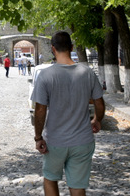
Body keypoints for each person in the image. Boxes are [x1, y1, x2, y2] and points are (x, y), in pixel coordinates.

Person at [31, 31, 105, 196]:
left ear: (52, 49)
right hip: (82, 141)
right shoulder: (87, 72)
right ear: (71, 47)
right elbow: (99, 103)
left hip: (55, 142)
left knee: (50, 178)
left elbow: (40, 110)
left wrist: (38, 137)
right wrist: (96, 119)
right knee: (78, 186)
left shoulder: (45, 75)